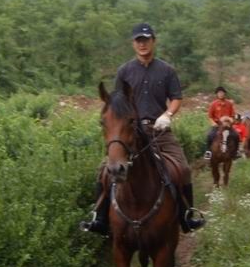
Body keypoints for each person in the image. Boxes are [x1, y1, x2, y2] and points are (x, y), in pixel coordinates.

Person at [80, 22, 206, 236]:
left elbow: (176, 98)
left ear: (153, 42)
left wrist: (167, 115)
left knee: (182, 168)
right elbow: (117, 102)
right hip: (130, 132)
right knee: (105, 170)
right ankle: (100, 218)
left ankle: (187, 216)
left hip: (159, 130)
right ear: (133, 44)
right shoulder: (124, 71)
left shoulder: (166, 70)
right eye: (139, 40)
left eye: (146, 40)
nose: (142, 44)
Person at [203, 86, 240, 160]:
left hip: (228, 125)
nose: (220, 94)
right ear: (217, 94)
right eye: (219, 93)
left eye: (222, 93)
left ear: (224, 94)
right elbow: (210, 116)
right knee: (209, 135)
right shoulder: (213, 104)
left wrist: (231, 121)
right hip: (217, 125)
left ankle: (236, 152)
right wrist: (213, 123)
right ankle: (208, 152)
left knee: (236, 135)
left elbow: (232, 115)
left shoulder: (229, 104)